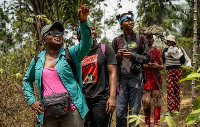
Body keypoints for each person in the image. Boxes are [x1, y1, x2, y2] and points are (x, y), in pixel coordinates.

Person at [23, 0, 92, 126]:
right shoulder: (37, 60)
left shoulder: (71, 53)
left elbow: (87, 44)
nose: (58, 35)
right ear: (44, 39)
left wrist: (83, 21)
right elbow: (27, 80)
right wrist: (32, 101)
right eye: (53, 32)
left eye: (60, 32)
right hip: (47, 113)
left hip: (72, 111)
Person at [112, 11, 150, 127]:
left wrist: (133, 56)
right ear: (121, 24)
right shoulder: (116, 41)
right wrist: (117, 55)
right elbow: (110, 61)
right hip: (121, 80)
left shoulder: (141, 39)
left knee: (134, 113)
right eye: (127, 20)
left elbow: (147, 58)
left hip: (136, 78)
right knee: (120, 114)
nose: (130, 22)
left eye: (132, 20)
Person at [77, 23, 117, 127]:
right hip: (84, 100)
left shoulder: (106, 49)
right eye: (86, 30)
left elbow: (112, 72)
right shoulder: (77, 54)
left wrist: (112, 97)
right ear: (79, 36)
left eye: (93, 29)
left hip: (102, 99)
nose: (91, 31)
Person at [142, 34, 164, 127]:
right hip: (145, 79)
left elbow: (162, 66)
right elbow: (139, 64)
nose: (149, 40)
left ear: (153, 39)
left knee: (157, 102)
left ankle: (156, 123)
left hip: (156, 79)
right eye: (147, 38)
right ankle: (147, 123)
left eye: (150, 37)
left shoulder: (158, 51)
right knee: (146, 102)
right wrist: (145, 65)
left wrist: (156, 66)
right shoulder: (142, 52)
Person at [163, 35, 186, 115]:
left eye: (170, 41)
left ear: (173, 42)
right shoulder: (165, 50)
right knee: (170, 91)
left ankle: (176, 109)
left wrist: (181, 51)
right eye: (168, 41)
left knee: (177, 90)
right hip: (169, 71)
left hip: (178, 71)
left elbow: (183, 61)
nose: (169, 42)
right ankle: (170, 110)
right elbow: (162, 61)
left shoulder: (178, 50)